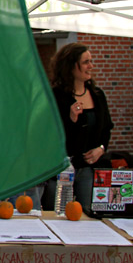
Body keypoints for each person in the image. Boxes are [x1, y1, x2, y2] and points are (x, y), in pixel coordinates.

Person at [46, 42, 113, 215]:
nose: (91, 66)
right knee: (56, 216)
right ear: (70, 66)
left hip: (88, 170)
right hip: (60, 171)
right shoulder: (55, 96)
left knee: (88, 216)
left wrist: (101, 148)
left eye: (91, 61)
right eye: (85, 62)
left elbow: (106, 129)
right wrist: (71, 119)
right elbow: (48, 135)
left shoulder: (97, 95)